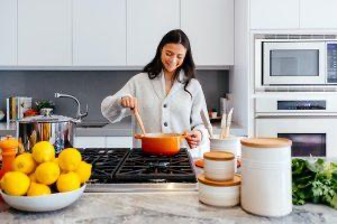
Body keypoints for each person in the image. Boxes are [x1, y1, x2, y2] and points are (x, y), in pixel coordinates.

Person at [101, 29, 208, 150]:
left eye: (179, 56)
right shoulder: (139, 81)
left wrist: (199, 134)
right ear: (160, 50)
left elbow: (201, 124)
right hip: (145, 158)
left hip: (181, 159)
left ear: (185, 57)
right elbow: (107, 111)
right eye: (169, 53)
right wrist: (120, 101)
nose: (173, 60)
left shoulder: (193, 86)